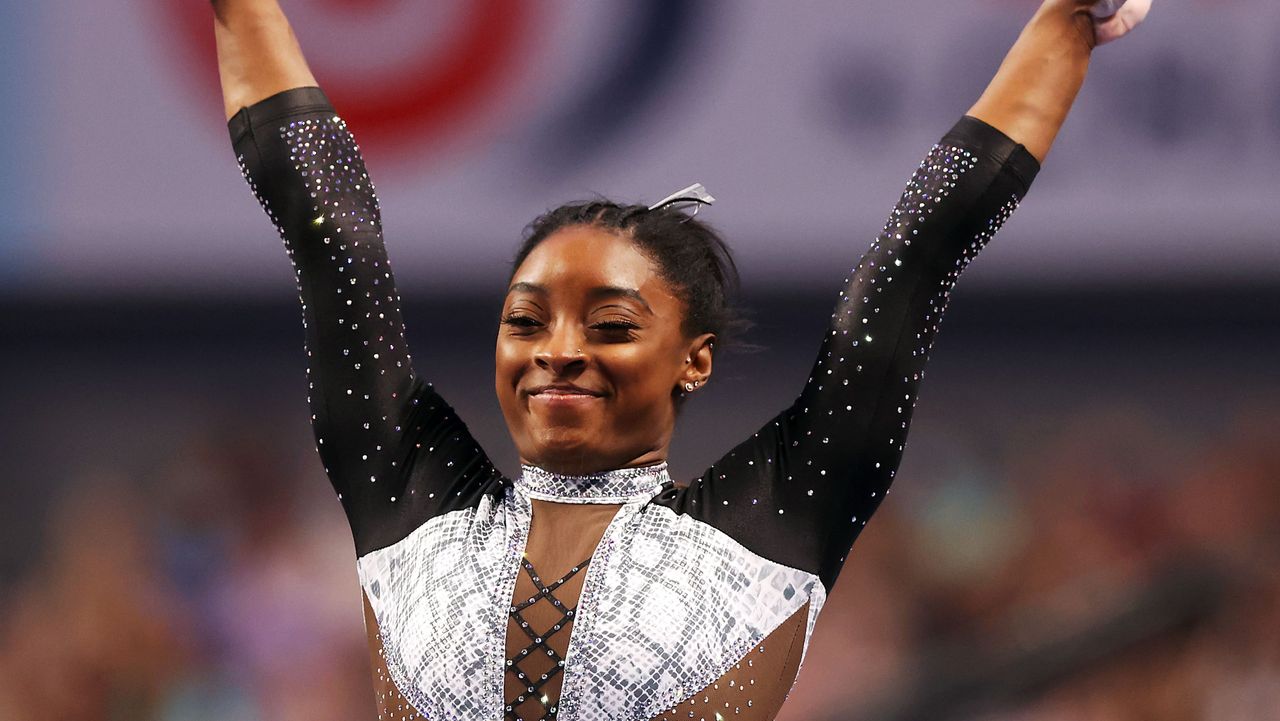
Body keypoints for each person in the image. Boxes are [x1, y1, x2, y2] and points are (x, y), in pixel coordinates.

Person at [211, 1, 1151, 719]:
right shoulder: (410, 497)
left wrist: (1067, 20)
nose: (559, 353)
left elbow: (916, 256)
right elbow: (333, 232)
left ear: (693, 360)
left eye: (612, 325)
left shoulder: (773, 521)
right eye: (526, 321)